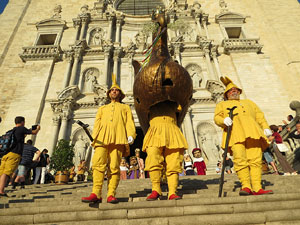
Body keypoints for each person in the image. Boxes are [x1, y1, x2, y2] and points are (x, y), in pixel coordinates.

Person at [214, 76, 273, 196]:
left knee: (256, 161)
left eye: (236, 90)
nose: (234, 92)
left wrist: (265, 127)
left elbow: (259, 116)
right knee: (240, 159)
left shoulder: (249, 103)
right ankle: (246, 185)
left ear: (239, 92)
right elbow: (217, 117)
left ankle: (257, 187)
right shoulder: (222, 105)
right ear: (226, 94)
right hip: (235, 134)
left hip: (253, 133)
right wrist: (223, 120)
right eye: (231, 91)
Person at [81, 74, 136, 204]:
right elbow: (97, 124)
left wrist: (131, 135)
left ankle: (111, 194)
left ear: (121, 94)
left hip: (118, 138)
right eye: (112, 90)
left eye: (116, 90)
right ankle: (96, 193)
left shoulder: (125, 107)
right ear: (108, 93)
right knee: (98, 164)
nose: (114, 92)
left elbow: (129, 122)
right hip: (102, 138)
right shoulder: (102, 108)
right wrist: (94, 138)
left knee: (114, 167)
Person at [143, 101, 188, 201]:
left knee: (174, 162)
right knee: (153, 158)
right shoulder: (148, 101)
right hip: (154, 131)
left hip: (172, 130)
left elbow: (183, 106)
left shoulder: (175, 102)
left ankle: (172, 191)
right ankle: (156, 189)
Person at [0, 116, 40, 196]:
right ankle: (1, 191)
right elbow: (34, 132)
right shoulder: (22, 128)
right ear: (22, 122)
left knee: (2, 172)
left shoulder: (10, 131)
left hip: (6, 154)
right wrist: (38, 128)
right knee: (7, 173)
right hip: (14, 154)